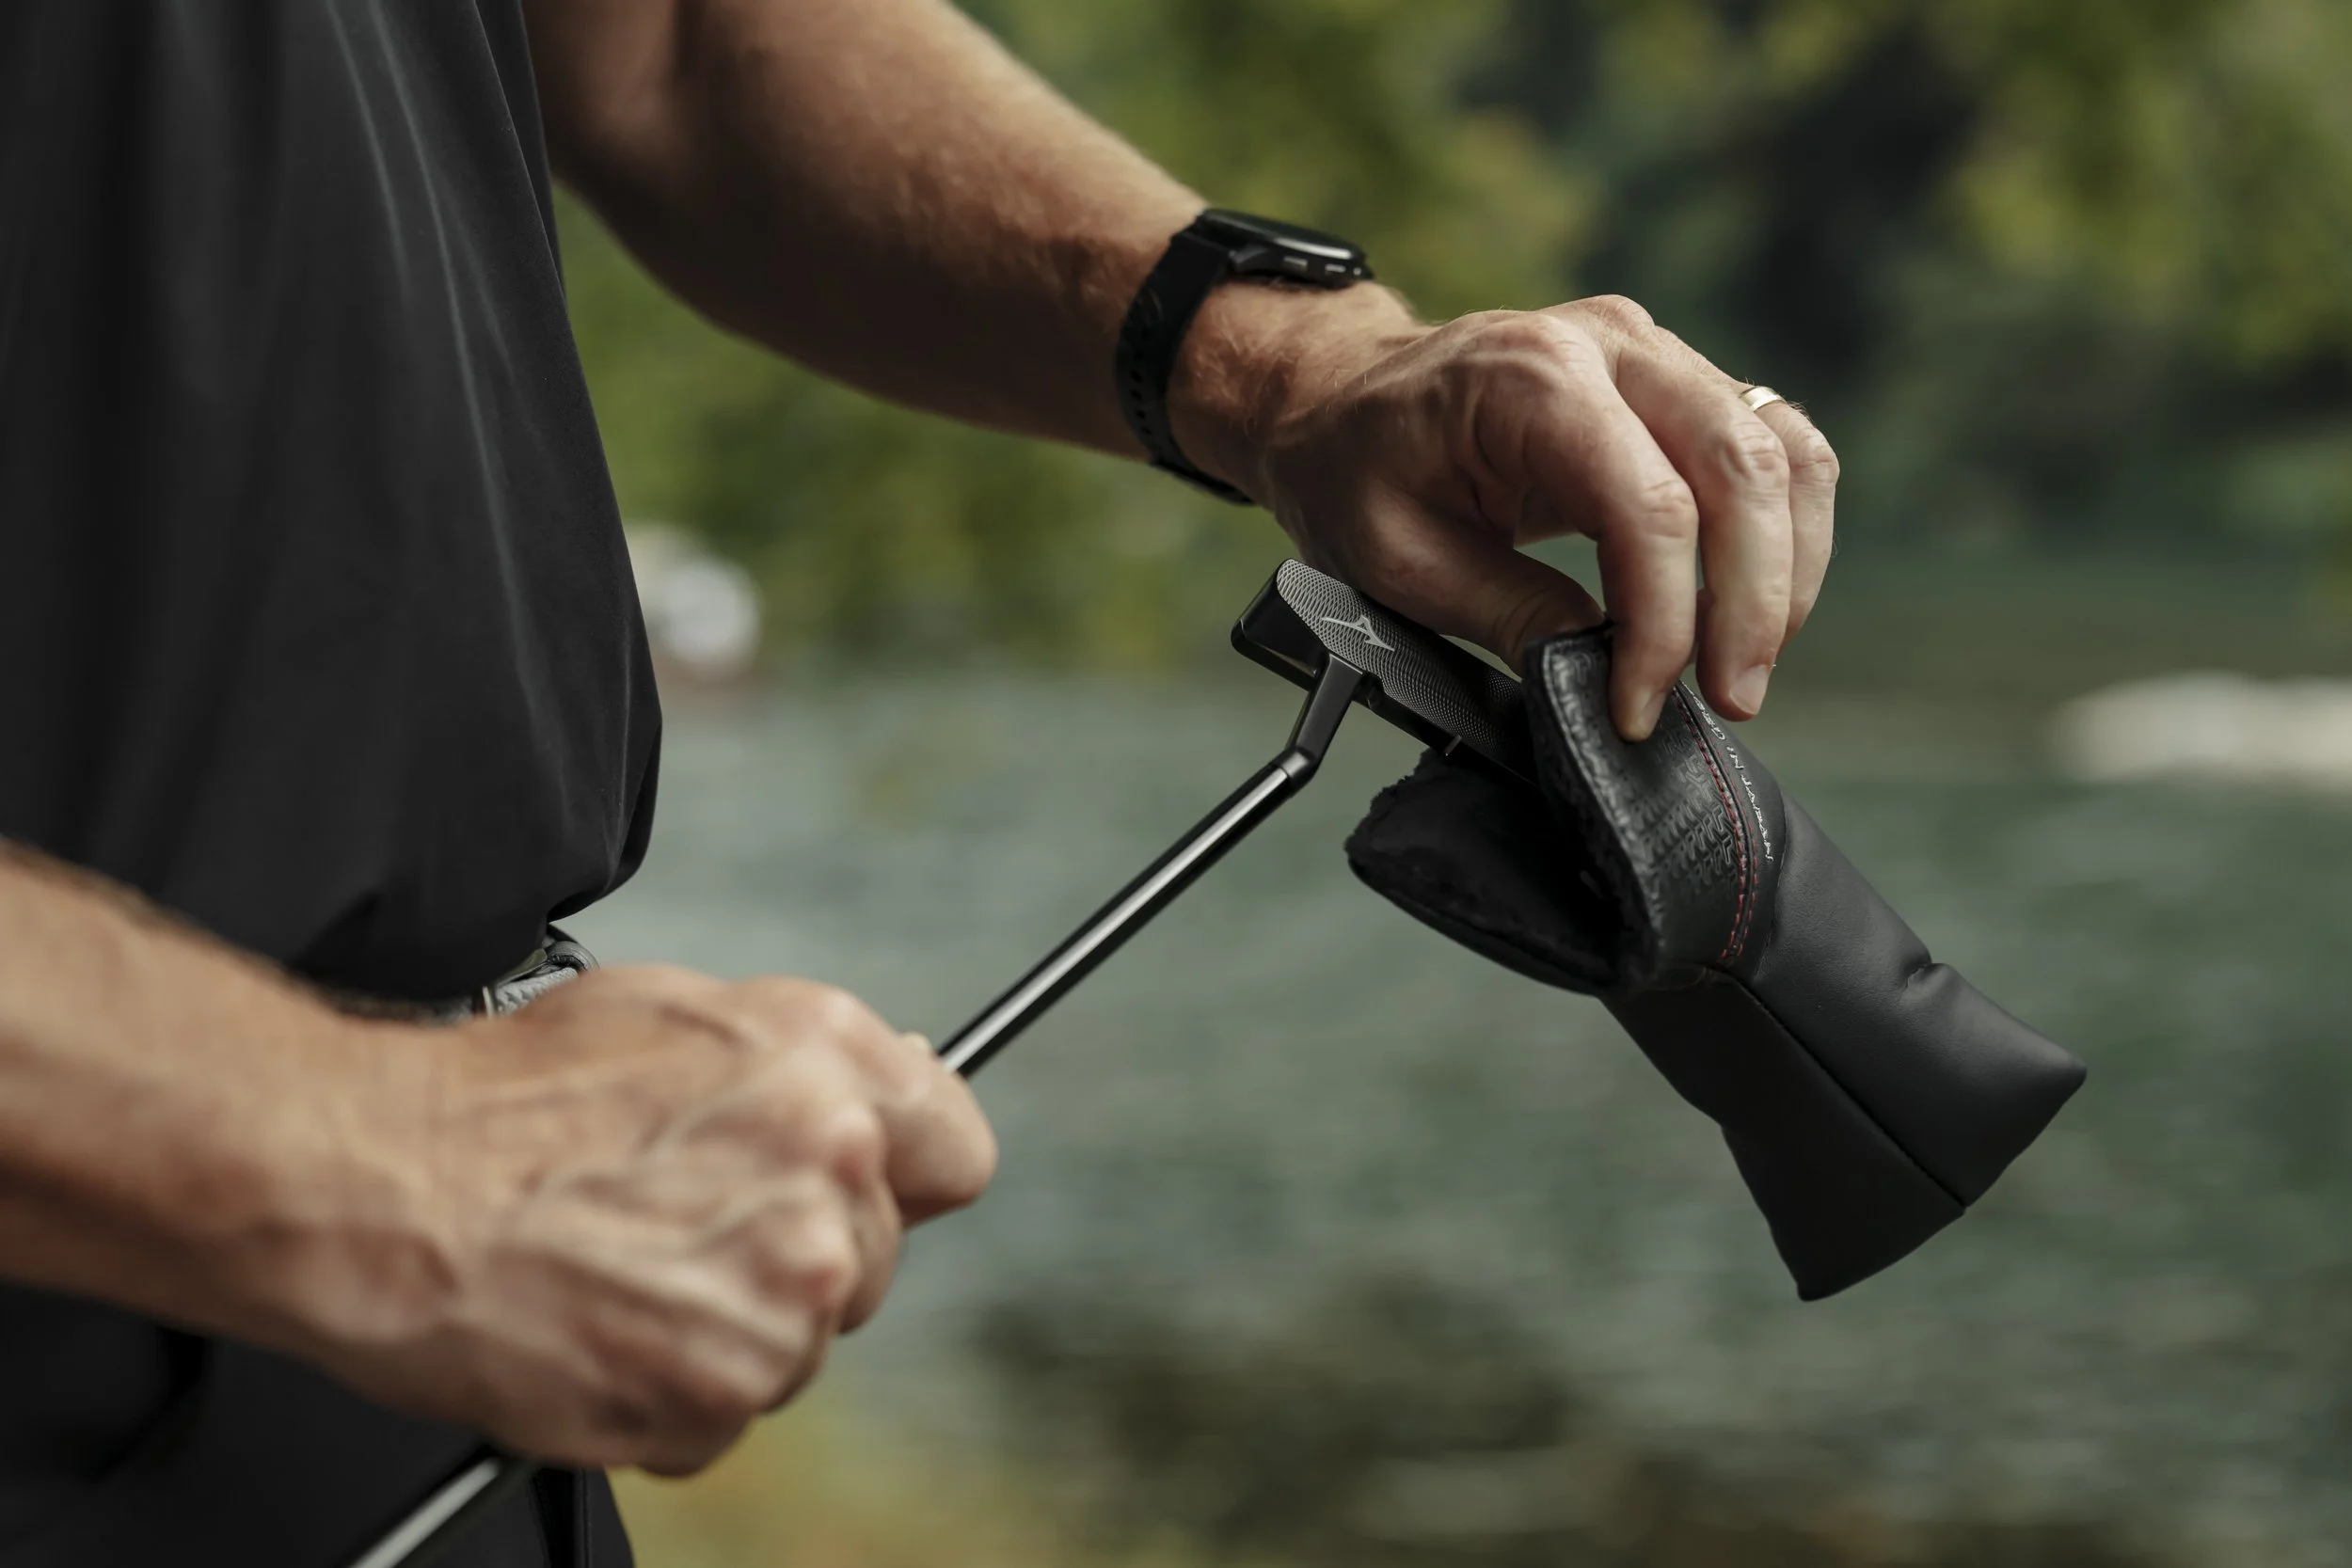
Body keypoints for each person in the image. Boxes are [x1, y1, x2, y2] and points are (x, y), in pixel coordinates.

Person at [0, 1, 1837, 1563]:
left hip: (422, 1371)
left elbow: (672, 39)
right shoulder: (380, 1173)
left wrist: (1291, 361)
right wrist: (357, 1145)